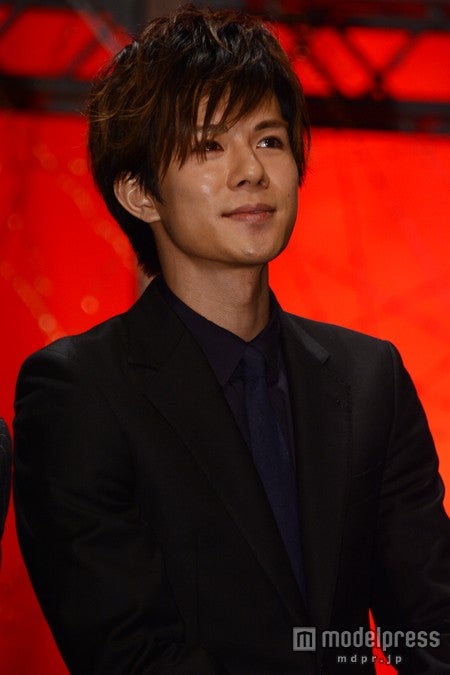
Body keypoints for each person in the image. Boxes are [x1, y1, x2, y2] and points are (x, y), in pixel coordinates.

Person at [13, 5, 450, 674]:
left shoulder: (370, 378)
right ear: (139, 192)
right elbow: (130, 652)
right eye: (209, 146)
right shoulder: (81, 392)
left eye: (269, 140)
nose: (251, 171)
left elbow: (430, 624)